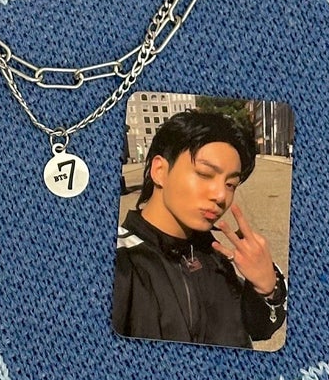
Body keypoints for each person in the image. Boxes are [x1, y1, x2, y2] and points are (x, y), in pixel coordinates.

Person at [112, 109, 287, 347]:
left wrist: (267, 288)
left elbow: (257, 329)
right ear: (159, 171)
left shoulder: (214, 255)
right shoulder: (122, 263)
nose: (221, 195)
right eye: (205, 174)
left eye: (231, 184)